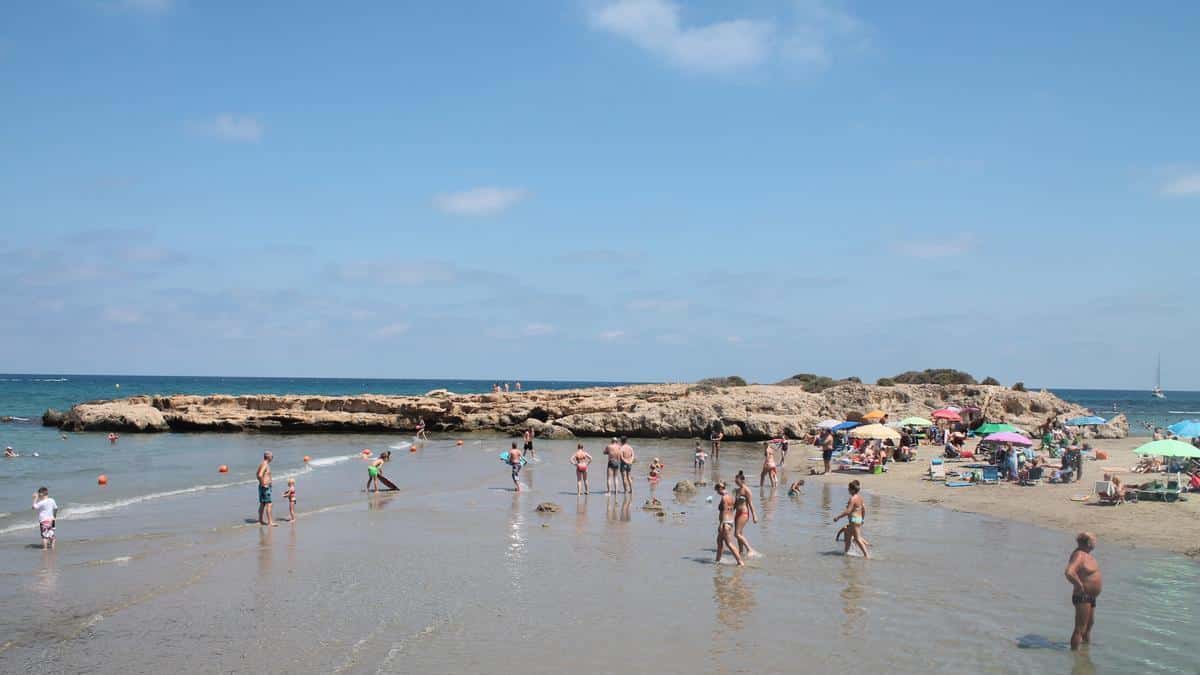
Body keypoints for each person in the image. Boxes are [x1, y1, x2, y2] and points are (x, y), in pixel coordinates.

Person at [1064, 532, 1102, 650]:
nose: (1096, 541)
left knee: (1089, 625)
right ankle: (1075, 655)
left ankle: (1085, 652)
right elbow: (1069, 572)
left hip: (1091, 597)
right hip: (1083, 596)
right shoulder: (1079, 555)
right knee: (1080, 628)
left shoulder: (1087, 554)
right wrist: (1079, 585)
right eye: (1094, 539)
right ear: (1089, 542)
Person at [833, 479, 869, 558]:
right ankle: (846, 553)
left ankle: (866, 555)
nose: (848, 490)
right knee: (847, 534)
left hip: (854, 520)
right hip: (858, 519)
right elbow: (863, 509)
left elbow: (848, 511)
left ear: (852, 490)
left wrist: (838, 517)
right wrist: (862, 519)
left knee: (857, 538)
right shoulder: (860, 498)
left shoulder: (852, 499)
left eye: (849, 489)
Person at [713, 482, 744, 566]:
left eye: (717, 491)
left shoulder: (724, 498)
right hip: (730, 521)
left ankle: (740, 562)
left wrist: (721, 524)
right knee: (719, 541)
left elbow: (724, 511)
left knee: (729, 543)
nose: (717, 493)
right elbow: (733, 509)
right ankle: (717, 561)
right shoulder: (731, 497)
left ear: (720, 489)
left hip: (725, 523)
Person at [733, 471, 757, 557]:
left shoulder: (746, 490)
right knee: (740, 533)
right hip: (737, 513)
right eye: (735, 480)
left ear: (742, 480)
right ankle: (741, 552)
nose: (735, 482)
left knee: (736, 534)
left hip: (744, 513)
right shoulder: (737, 490)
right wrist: (730, 512)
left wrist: (754, 516)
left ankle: (750, 549)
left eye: (737, 480)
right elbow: (735, 503)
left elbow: (750, 503)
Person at [256, 451, 274, 526]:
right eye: (272, 456)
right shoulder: (265, 464)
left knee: (262, 504)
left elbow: (257, 474)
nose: (272, 458)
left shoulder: (262, 464)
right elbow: (260, 475)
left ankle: (260, 520)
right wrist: (264, 484)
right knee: (269, 504)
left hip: (262, 487)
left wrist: (261, 483)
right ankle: (270, 522)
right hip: (265, 488)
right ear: (268, 457)